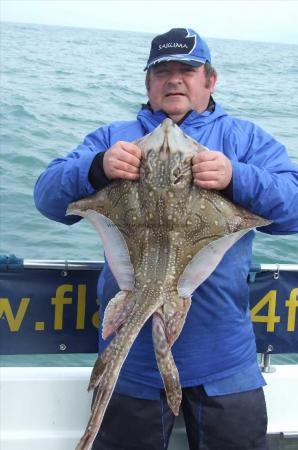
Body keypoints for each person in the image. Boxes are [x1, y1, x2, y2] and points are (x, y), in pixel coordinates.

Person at [34, 28, 298, 450]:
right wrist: (97, 168)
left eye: (187, 70)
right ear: (148, 83)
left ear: (209, 81)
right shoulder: (112, 138)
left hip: (225, 359)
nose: (174, 79)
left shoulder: (244, 141)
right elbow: (46, 197)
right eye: (162, 71)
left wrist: (236, 177)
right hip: (133, 364)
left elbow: (294, 210)